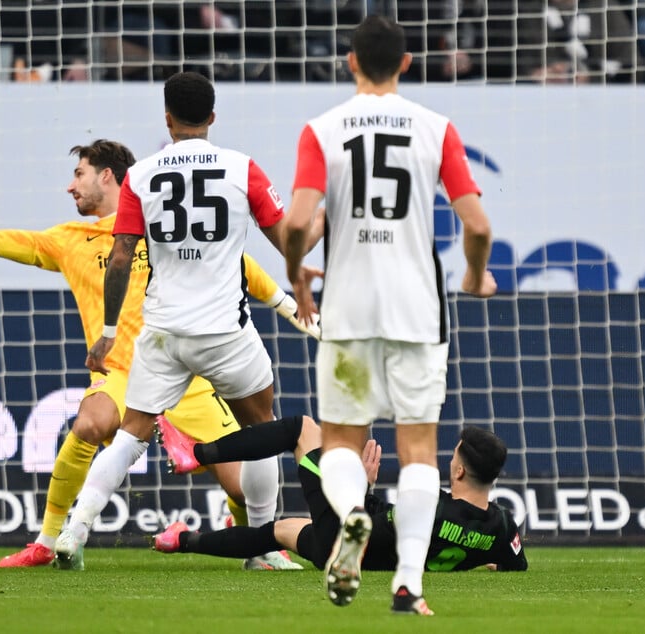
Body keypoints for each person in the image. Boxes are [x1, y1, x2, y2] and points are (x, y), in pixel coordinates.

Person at [0, 139, 318, 571]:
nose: (70, 185)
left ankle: (254, 541)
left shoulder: (154, 220)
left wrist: (286, 305)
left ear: (107, 176)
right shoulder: (68, 239)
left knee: (242, 484)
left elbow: (240, 264)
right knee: (90, 424)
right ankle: (47, 541)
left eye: (78, 173)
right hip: (128, 369)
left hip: (192, 371)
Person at [54, 72, 316, 569]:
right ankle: (261, 549)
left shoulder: (141, 176)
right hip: (225, 332)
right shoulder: (244, 169)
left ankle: (76, 529)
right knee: (262, 429)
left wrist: (109, 333)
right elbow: (288, 243)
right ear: (213, 117)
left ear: (167, 118)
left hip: (163, 333)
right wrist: (304, 272)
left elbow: (120, 256)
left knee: (130, 435)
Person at [283, 16, 497, 615]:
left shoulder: (321, 129)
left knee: (345, 442)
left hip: (349, 311)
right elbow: (477, 224)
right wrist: (476, 275)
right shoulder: (436, 128)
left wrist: (299, 274)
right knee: (421, 450)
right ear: (406, 64)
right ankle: (408, 585)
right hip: (416, 311)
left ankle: (353, 514)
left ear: (350, 62)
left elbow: (298, 222)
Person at [152, 416, 527, 574]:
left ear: (458, 470)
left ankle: (197, 455)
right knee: (279, 531)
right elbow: (515, 564)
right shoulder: (503, 527)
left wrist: (361, 488)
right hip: (360, 558)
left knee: (302, 429)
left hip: (344, 547)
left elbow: (361, 526)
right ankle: (181, 540)